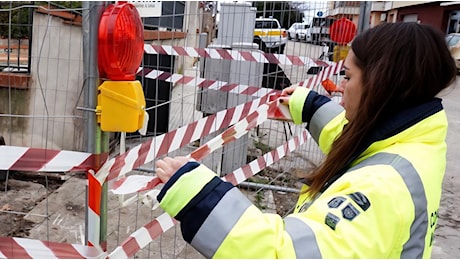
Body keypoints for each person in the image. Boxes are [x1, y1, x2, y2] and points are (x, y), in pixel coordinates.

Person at [155, 22, 457, 258]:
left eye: (348, 77)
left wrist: (199, 195)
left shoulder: (382, 188)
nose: (339, 88)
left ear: (381, 85)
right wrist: (308, 105)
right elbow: (350, 141)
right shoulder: (415, 143)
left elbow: (283, 253)